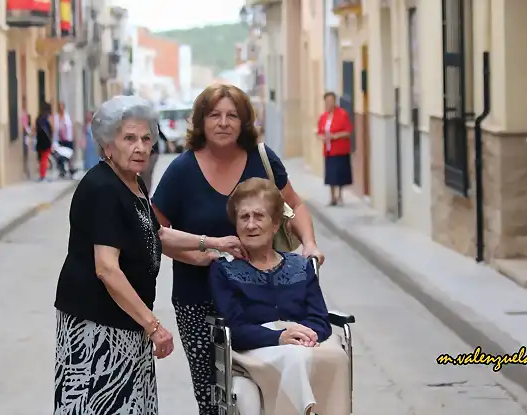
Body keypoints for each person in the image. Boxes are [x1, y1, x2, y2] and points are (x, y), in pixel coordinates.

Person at [54, 95, 246, 414]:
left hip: (126, 324)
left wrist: (213, 242)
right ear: (107, 145)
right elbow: (106, 268)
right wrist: (154, 326)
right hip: (98, 327)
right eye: (129, 138)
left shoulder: (133, 182)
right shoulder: (103, 188)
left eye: (146, 138)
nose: (140, 147)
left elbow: (157, 232)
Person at [152, 83, 324, 415]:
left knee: (267, 386)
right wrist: (196, 256)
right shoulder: (182, 170)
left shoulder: (262, 159)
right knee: (213, 397)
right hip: (198, 299)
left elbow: (296, 206)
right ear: (201, 121)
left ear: (243, 121)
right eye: (214, 115)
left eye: (232, 115)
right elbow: (155, 232)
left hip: (260, 294)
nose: (223, 122)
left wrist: (310, 245)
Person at [209, 178, 350, 415]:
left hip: (303, 344)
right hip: (253, 351)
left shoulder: (301, 267)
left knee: (334, 355)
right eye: (244, 217)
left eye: (259, 216)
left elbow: (319, 318)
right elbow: (237, 328)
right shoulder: (224, 270)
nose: (251, 224)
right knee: (294, 358)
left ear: (275, 225)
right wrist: (280, 337)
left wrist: (304, 336)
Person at [316, 91, 353, 206]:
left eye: (331, 101)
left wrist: (335, 136)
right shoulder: (323, 117)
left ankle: (340, 195)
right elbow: (319, 132)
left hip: (340, 149)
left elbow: (348, 131)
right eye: (327, 101)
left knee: (340, 174)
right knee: (330, 175)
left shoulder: (342, 114)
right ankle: (332, 197)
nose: (329, 103)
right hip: (328, 150)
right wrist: (322, 137)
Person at [140, 123, 174, 194]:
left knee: (147, 173)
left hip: (153, 152)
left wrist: (168, 142)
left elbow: (159, 132)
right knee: (143, 174)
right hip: (142, 151)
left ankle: (146, 194)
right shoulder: (136, 120)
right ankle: (143, 194)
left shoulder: (152, 120)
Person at [53, 101, 76, 178]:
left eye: (62, 106)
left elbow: (71, 127)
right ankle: (62, 170)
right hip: (59, 140)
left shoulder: (67, 116)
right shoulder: (56, 117)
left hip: (68, 139)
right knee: (60, 155)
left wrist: (73, 137)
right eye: (59, 107)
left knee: (70, 155)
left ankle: (71, 169)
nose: (61, 108)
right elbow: (55, 128)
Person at [35, 102, 53, 182]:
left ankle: (42, 175)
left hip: (40, 143)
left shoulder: (38, 119)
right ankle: (42, 176)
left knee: (42, 160)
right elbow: (49, 131)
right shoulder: (45, 120)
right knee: (44, 160)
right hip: (46, 143)